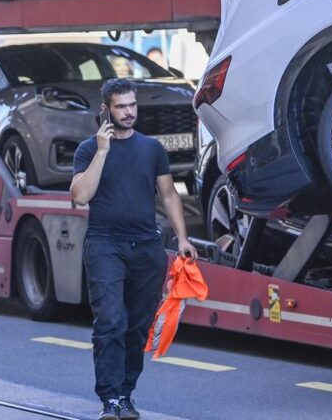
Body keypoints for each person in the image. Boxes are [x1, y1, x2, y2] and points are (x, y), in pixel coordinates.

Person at [70, 78, 197, 420]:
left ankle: (126, 395)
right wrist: (101, 151)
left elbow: (169, 195)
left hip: (146, 248)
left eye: (132, 106)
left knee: (137, 326)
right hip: (104, 245)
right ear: (105, 110)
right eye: (121, 106)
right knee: (110, 320)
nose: (129, 112)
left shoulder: (152, 149)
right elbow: (80, 196)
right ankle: (109, 398)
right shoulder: (88, 150)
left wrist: (183, 239)